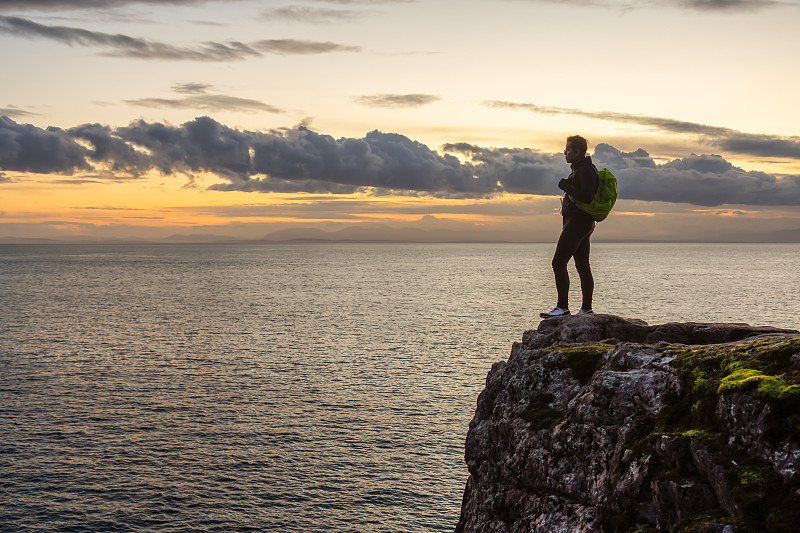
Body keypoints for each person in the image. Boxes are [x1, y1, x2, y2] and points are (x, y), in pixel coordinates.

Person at [540, 135, 599, 318]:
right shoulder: (580, 169)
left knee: (558, 263)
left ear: (578, 152)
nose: (564, 153)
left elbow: (587, 196)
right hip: (581, 222)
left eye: (567, 150)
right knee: (582, 266)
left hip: (578, 223)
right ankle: (585, 309)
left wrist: (567, 187)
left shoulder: (586, 170)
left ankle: (563, 308)